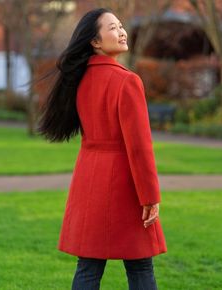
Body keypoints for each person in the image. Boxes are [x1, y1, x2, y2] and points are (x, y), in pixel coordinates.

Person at [37, 7, 167, 290]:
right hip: (123, 182)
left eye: (121, 26)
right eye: (112, 27)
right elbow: (139, 147)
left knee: (89, 265)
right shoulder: (127, 81)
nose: (121, 31)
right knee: (141, 263)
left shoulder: (79, 81)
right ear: (95, 42)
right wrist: (150, 196)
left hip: (89, 178)